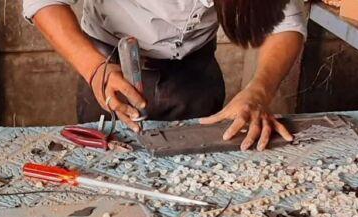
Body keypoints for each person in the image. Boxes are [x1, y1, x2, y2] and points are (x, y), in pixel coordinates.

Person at [24, 0, 307, 150]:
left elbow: (285, 23)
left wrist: (259, 91)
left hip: (196, 73)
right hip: (110, 66)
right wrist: (94, 68)